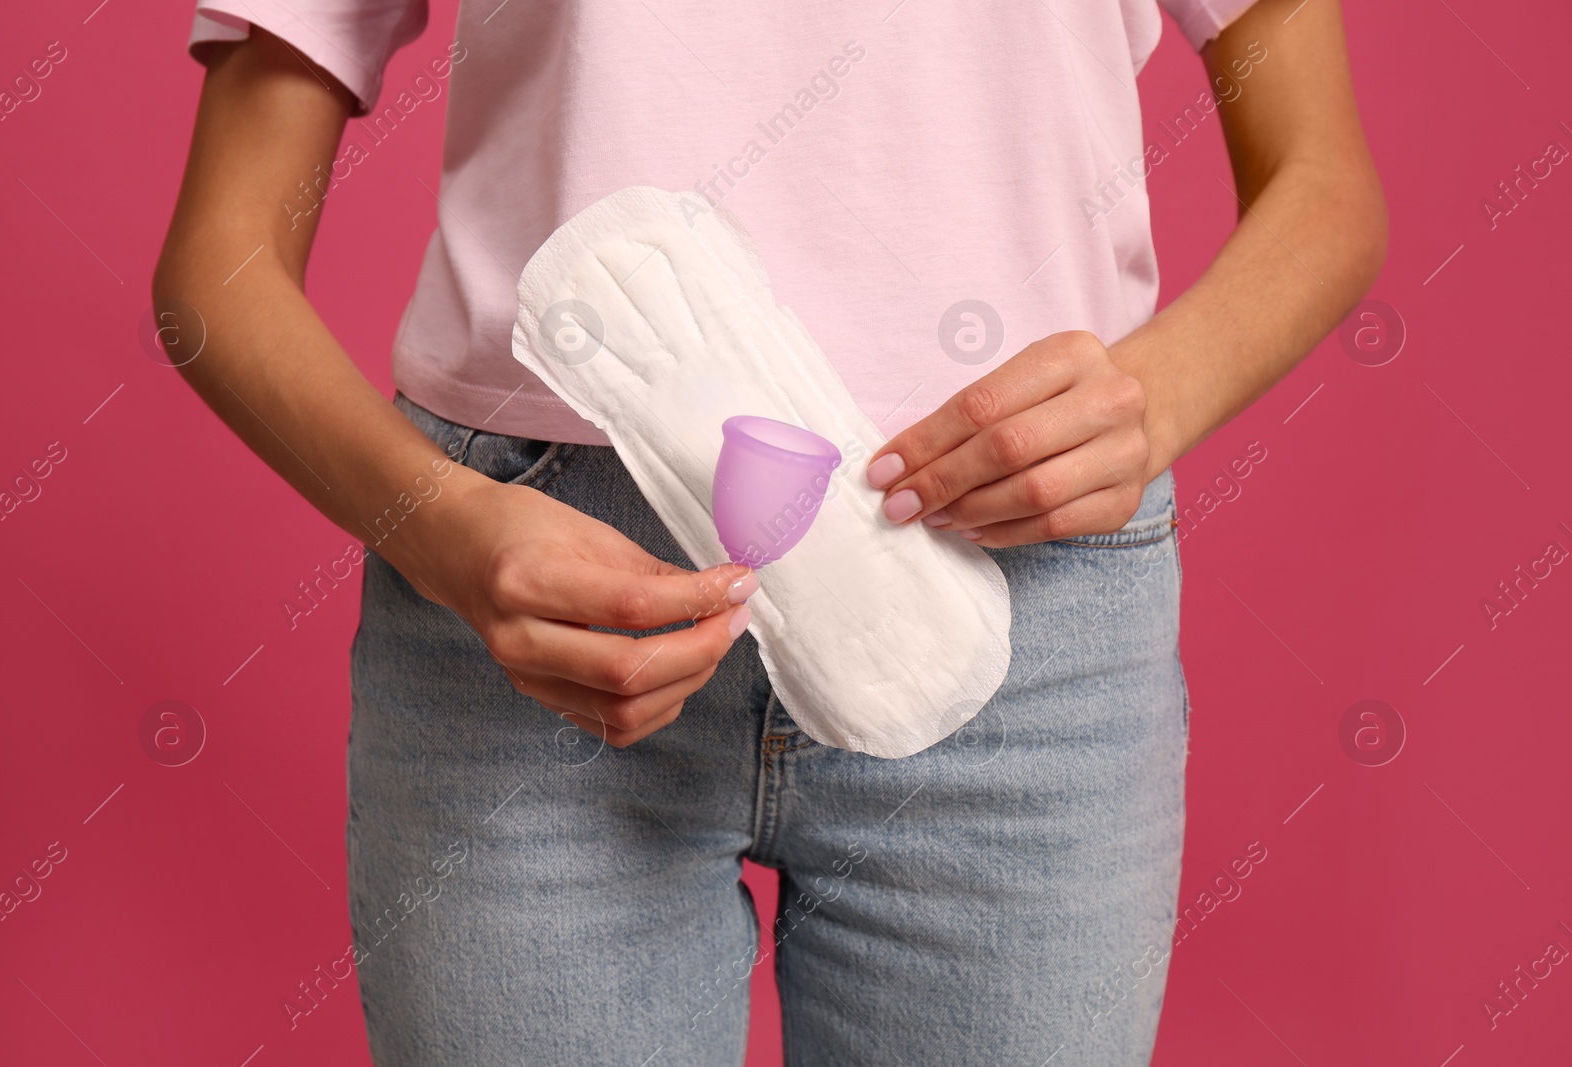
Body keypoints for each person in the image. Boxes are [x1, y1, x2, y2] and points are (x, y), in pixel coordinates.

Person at [155, 0, 1384, 1062]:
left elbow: (1322, 184)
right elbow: (220, 263)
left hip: (1018, 593)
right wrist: (444, 527)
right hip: (532, 604)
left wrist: (1154, 394)